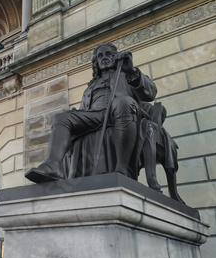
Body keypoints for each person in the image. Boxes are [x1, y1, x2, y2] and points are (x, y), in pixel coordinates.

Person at [25, 42, 157, 183]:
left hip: (120, 111)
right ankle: (53, 166)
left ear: (115, 57)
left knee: (123, 102)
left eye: (108, 54)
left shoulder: (127, 75)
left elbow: (150, 93)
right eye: (99, 56)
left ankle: (122, 168)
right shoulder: (90, 87)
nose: (103, 58)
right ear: (96, 62)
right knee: (61, 118)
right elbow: (85, 108)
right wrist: (78, 114)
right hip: (95, 115)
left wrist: (131, 71)